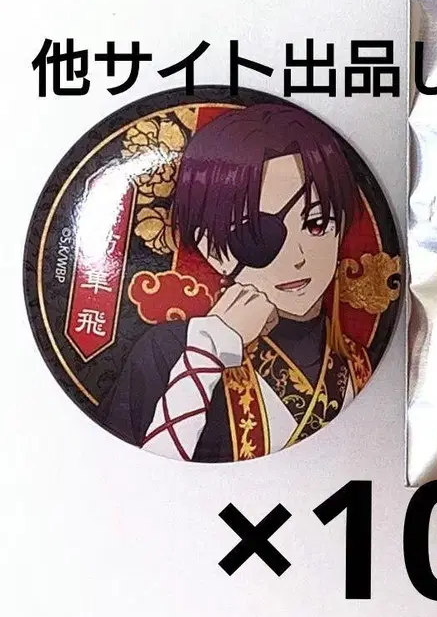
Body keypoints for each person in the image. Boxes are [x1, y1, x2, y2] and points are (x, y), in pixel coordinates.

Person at [98, 104, 372, 462]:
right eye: (256, 233)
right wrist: (207, 353)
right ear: (210, 248)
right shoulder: (169, 352)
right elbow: (132, 478)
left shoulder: (357, 362)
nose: (298, 257)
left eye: (317, 224)